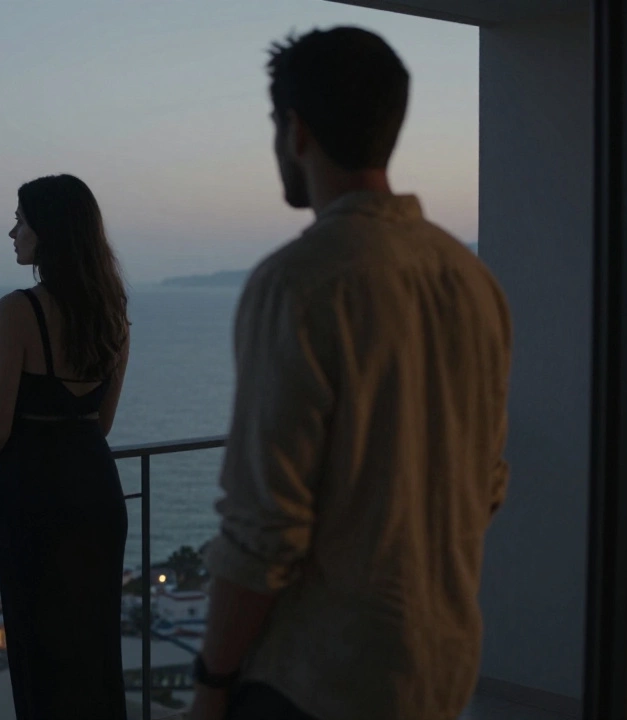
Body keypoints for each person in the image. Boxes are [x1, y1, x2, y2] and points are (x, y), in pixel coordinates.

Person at [188, 27, 512, 720]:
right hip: (442, 663)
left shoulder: (299, 282)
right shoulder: (472, 280)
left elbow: (264, 528)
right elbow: (485, 484)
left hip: (316, 679)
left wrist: (212, 682)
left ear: (296, 130)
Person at [0, 174, 131, 719]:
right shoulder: (113, 313)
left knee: (39, 653)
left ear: (49, 231)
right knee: (94, 647)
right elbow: (100, 423)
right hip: (99, 492)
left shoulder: (17, 311)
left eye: (21, 220)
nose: (12, 231)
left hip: (35, 496)